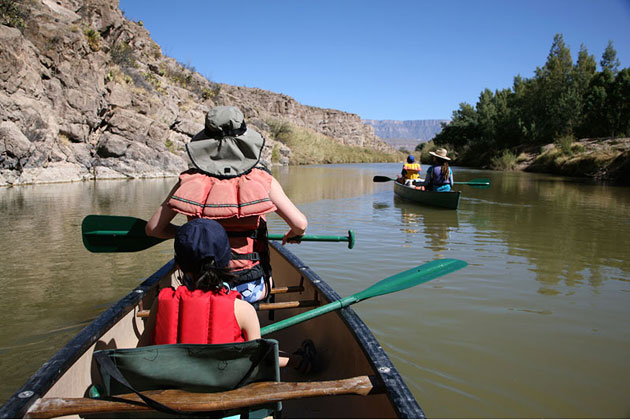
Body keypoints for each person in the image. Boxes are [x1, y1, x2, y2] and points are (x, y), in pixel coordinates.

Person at [146, 106, 308, 304]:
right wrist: (293, 234)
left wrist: (193, 235)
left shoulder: (188, 180)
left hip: (199, 284)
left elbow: (153, 229)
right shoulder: (263, 179)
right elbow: (300, 224)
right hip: (249, 283)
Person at [150, 218, 316, 370]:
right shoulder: (243, 309)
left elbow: (140, 355)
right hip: (227, 392)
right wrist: (292, 360)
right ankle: (299, 361)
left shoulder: (161, 302)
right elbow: (258, 361)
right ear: (227, 261)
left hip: (172, 392)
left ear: (178, 265)